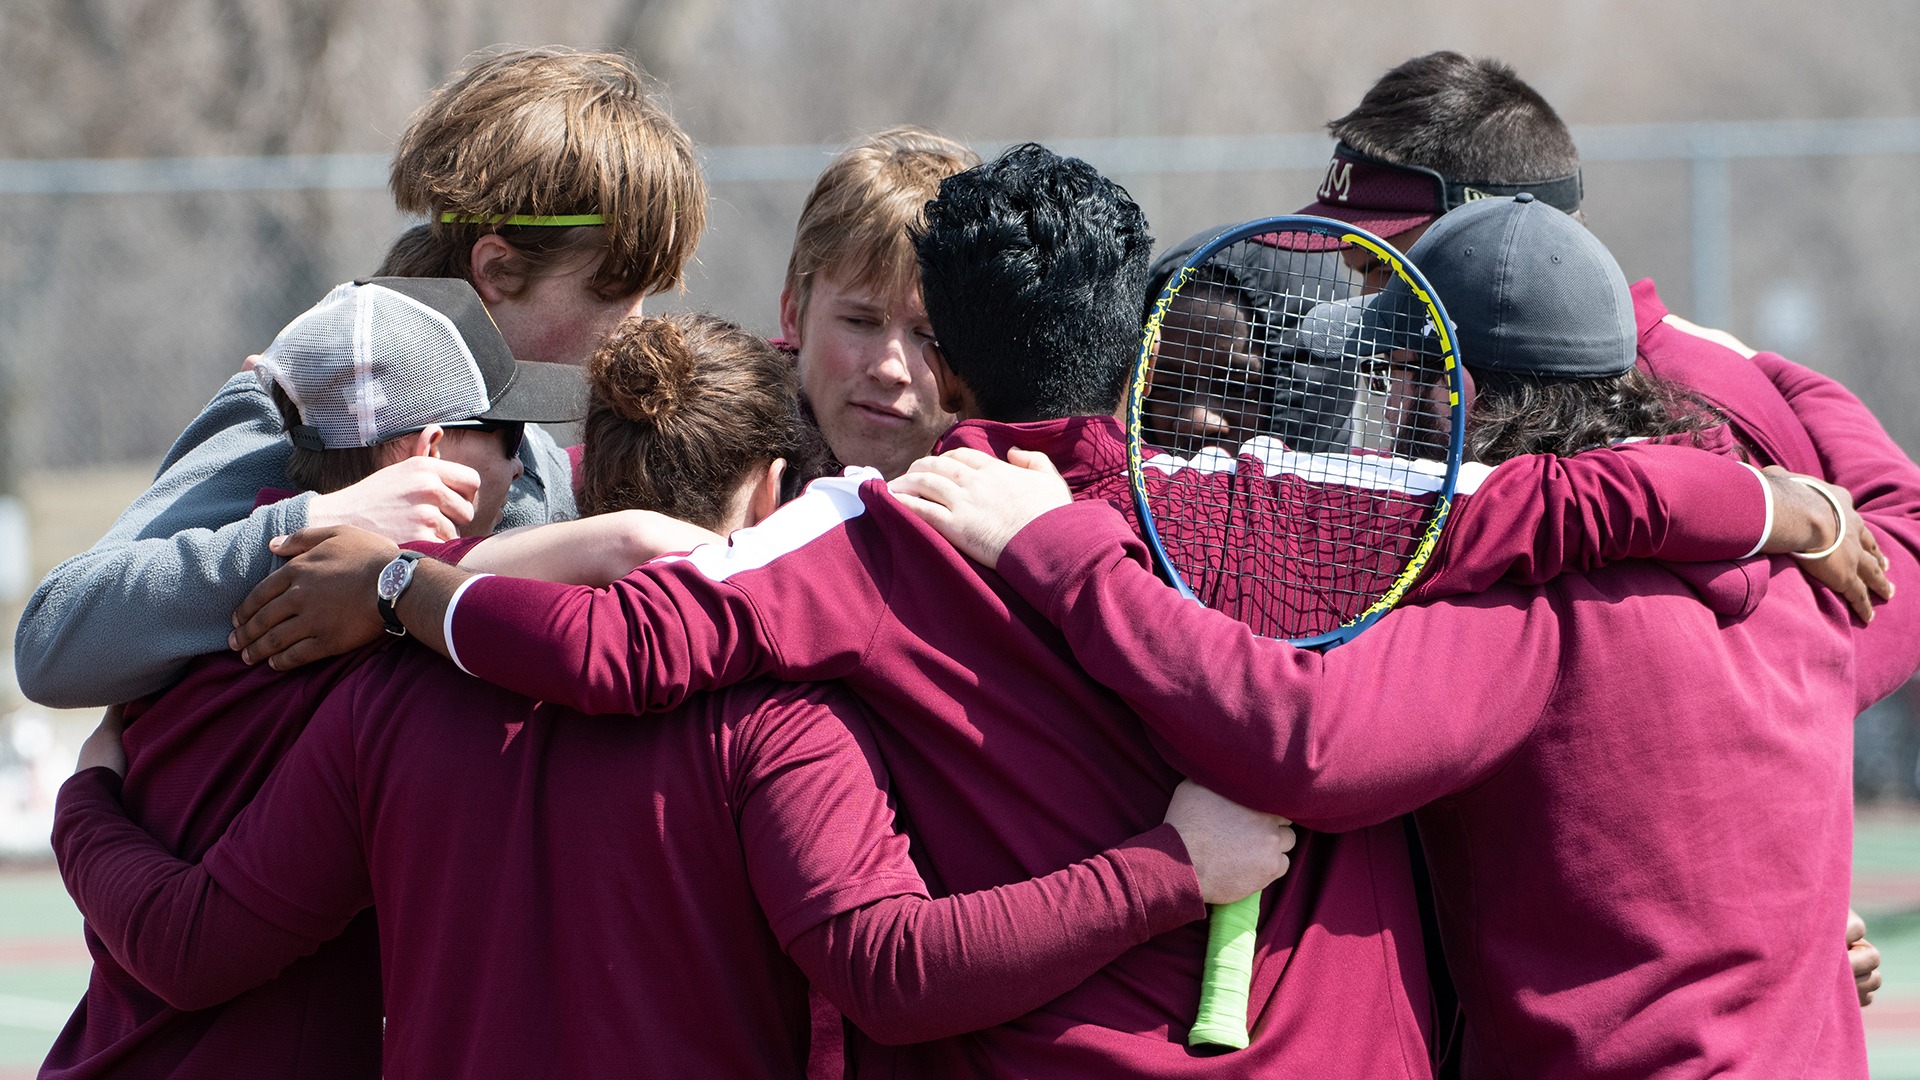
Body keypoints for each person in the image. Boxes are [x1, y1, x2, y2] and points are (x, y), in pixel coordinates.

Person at [229, 147, 1860, 1078]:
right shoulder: (1291, 504)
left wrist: (400, 589)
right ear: (1138, 324)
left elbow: (610, 648)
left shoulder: (868, 535)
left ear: (947, 354)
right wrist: (1771, 498)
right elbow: (1555, 504)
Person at [51, 309, 1296, 1080]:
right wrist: (1172, 865)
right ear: (768, 487)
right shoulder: (783, 720)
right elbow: (897, 968)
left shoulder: (390, 696)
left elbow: (193, 941)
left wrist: (88, 795)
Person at [898, 196, 1920, 1078]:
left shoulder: (1527, 625)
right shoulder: (1821, 593)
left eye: (1387, 378)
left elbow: (1300, 736)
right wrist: (1751, 373)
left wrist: (1060, 552)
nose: (1370, 411)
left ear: (1451, 397)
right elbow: (1902, 526)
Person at [1298, 47, 1900, 1007]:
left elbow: (1817, 643)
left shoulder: (1689, 405)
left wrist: (1771, 878)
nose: (1366, 298)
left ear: (1501, 238)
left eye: (1386, 259)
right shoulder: (1416, 385)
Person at [13, 45, 706, 709]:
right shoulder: (312, 405)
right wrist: (319, 522)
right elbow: (55, 643)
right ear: (496, 268)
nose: (635, 326)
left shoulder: (539, 464)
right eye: (612, 293)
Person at [38, 277, 588, 1080]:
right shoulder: (393, 664)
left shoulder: (179, 614)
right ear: (429, 455)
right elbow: (187, 945)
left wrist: (86, 797)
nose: (527, 463)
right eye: (508, 431)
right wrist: (81, 807)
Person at [779, 126, 977, 479]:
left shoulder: (1027, 498)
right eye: (860, 322)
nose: (890, 370)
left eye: (929, 334)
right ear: (794, 315)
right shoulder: (705, 475)